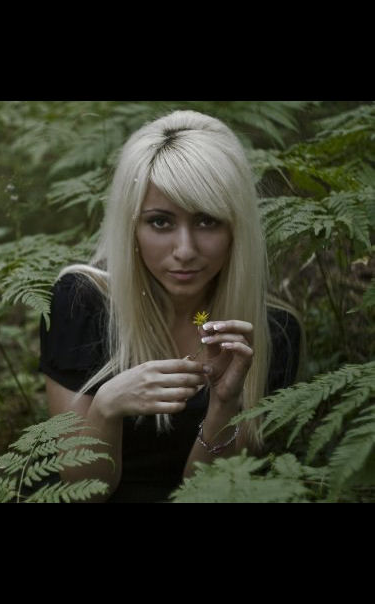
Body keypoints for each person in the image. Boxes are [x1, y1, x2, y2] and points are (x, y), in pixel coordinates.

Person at [38, 109, 302, 503]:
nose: (185, 250)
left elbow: (211, 492)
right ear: (132, 227)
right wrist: (106, 406)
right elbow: (82, 493)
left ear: (236, 228)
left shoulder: (270, 332)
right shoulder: (82, 302)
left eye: (207, 221)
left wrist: (224, 404)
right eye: (161, 222)